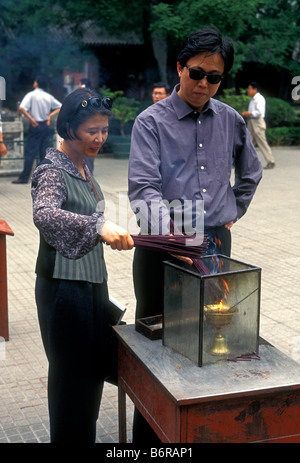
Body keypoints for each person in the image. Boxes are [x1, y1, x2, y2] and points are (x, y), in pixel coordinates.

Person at [128, 28, 263, 443]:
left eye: (215, 77)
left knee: (216, 339)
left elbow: (251, 171)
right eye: (197, 72)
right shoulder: (151, 122)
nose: (204, 83)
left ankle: (200, 433)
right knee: (159, 351)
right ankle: (149, 441)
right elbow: (143, 189)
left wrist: (231, 210)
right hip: (164, 249)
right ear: (179, 68)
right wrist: (175, 237)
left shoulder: (229, 120)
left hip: (217, 246)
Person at [31, 87, 134, 443]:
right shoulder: (51, 171)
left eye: (104, 130)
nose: (100, 138)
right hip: (63, 289)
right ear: (70, 127)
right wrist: (98, 226)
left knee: (89, 377)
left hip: (91, 285)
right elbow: (44, 214)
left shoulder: (83, 167)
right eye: (93, 130)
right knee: (71, 381)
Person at [12, 76, 61, 184]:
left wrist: (31, 118)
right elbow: (60, 107)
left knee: (30, 152)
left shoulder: (31, 95)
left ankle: (24, 178)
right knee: (44, 153)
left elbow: (21, 108)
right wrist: (49, 116)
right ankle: (43, 178)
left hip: (35, 126)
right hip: (45, 126)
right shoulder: (48, 96)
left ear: (37, 83)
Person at [242, 82, 275, 169]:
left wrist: (249, 113)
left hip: (257, 122)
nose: (248, 91)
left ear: (255, 89)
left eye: (249, 88)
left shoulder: (259, 99)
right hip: (251, 122)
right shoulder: (252, 99)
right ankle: (246, 163)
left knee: (262, 143)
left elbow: (259, 112)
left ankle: (270, 161)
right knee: (248, 143)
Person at [78, 78, 94, 172]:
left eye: (79, 84)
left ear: (82, 85)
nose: (78, 86)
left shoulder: (82, 96)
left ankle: (86, 171)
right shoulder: (94, 95)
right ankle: (89, 170)